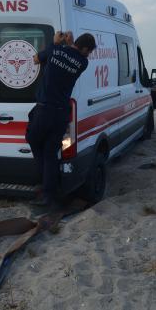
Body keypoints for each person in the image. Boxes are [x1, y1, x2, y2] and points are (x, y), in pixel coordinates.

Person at [26, 31, 96, 207]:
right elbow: (72, 54)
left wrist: (56, 42)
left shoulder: (54, 50)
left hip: (44, 110)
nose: (89, 55)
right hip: (61, 113)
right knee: (50, 152)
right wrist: (65, 44)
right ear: (85, 49)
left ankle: (44, 185)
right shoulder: (82, 62)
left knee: (33, 139)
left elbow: (35, 60)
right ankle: (49, 193)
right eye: (90, 51)